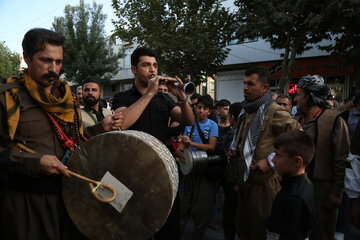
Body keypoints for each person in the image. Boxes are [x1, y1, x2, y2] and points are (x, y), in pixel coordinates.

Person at [0, 28, 122, 240]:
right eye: (46, 60)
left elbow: (74, 139)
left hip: (71, 201)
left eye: (58, 62)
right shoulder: (8, 99)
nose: (53, 68)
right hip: (28, 205)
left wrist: (100, 128)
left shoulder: (66, 98)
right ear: (27, 58)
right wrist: (33, 162)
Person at [112, 47, 194, 240]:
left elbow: (188, 120)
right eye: (146, 65)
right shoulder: (122, 97)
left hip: (163, 171)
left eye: (155, 65)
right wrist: (148, 94)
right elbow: (122, 122)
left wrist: (181, 97)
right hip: (132, 172)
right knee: (134, 225)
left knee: (168, 226)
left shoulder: (164, 98)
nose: (152, 70)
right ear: (134, 69)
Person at [229, 66, 300, 240]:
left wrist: (270, 160)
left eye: (251, 84)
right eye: (244, 83)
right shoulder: (246, 111)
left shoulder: (274, 111)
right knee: (243, 228)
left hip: (264, 187)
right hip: (245, 183)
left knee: (261, 231)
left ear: (265, 88)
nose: (245, 88)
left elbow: (300, 136)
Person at [294, 75, 350, 240]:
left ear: (309, 96)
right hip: (299, 188)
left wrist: (337, 193)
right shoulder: (297, 120)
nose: (295, 98)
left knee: (322, 231)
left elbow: (341, 160)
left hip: (323, 189)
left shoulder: (334, 120)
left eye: (299, 94)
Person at [176, 94, 219, 240]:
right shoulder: (190, 124)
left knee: (201, 205)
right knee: (184, 200)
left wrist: (191, 143)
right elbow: (183, 143)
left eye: (205, 108)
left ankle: (199, 232)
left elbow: (211, 147)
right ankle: (179, 229)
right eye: (199, 107)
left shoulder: (213, 125)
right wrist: (180, 148)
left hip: (204, 169)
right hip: (189, 169)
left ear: (209, 111)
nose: (201, 111)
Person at [266, 129, 315, 240]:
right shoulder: (298, 184)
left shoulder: (295, 198)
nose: (273, 160)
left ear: (297, 161)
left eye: (278, 155)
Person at [222, 102, 242, 240]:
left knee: (232, 216)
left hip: (235, 183)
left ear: (232, 117)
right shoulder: (242, 130)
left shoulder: (239, 133)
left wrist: (236, 183)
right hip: (235, 182)